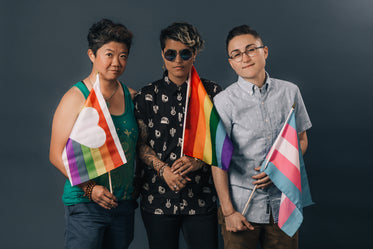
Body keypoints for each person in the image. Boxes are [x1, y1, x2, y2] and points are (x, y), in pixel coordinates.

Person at [212, 25, 312, 249]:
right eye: (236, 54)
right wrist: (228, 212)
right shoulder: (223, 101)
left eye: (250, 50)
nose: (245, 58)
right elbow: (218, 161)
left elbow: (301, 140)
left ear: (264, 52)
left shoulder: (290, 92)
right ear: (231, 62)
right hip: (242, 209)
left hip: (284, 204)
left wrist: (280, 169)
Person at [49, 19, 138, 249]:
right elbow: (56, 155)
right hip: (85, 205)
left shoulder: (131, 96)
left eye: (123, 56)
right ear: (92, 54)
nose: (116, 62)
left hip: (122, 204)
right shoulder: (76, 97)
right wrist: (90, 189)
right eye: (109, 54)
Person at [134, 22, 221, 249]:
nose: (178, 61)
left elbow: (222, 141)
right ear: (162, 55)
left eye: (185, 53)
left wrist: (198, 160)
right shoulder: (146, 95)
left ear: (195, 55)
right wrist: (163, 169)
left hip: (201, 197)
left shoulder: (212, 93)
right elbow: (139, 144)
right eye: (171, 54)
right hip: (157, 198)